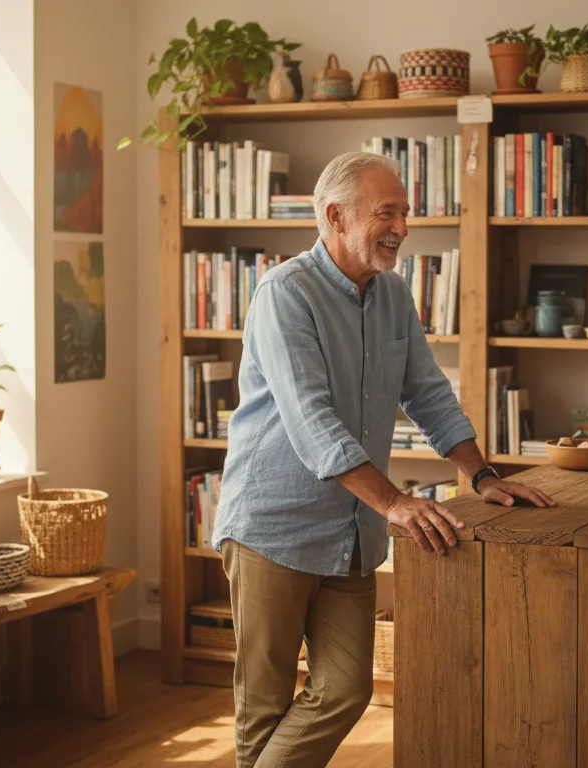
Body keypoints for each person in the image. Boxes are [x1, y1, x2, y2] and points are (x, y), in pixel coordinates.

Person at [212, 151, 555, 768]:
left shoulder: (394, 294)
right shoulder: (284, 293)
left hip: (352, 530)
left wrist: (481, 474)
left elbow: (427, 394)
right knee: (263, 710)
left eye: (404, 212)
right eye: (386, 212)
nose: (401, 226)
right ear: (335, 216)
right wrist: (396, 503)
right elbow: (312, 421)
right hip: (272, 526)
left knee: (347, 688)